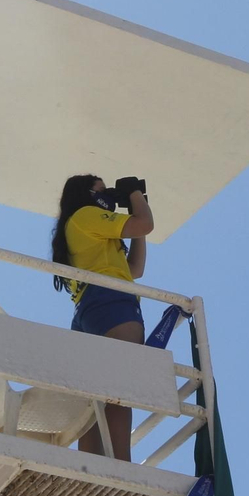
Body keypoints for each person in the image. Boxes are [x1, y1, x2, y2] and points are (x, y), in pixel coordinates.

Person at [51, 173, 154, 460]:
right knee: (120, 391)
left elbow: (135, 269)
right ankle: (120, 466)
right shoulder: (86, 215)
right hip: (111, 302)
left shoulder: (82, 227)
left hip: (88, 311)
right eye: (102, 190)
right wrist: (135, 195)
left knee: (94, 398)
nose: (109, 196)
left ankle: (91, 471)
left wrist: (135, 210)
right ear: (86, 194)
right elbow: (146, 223)